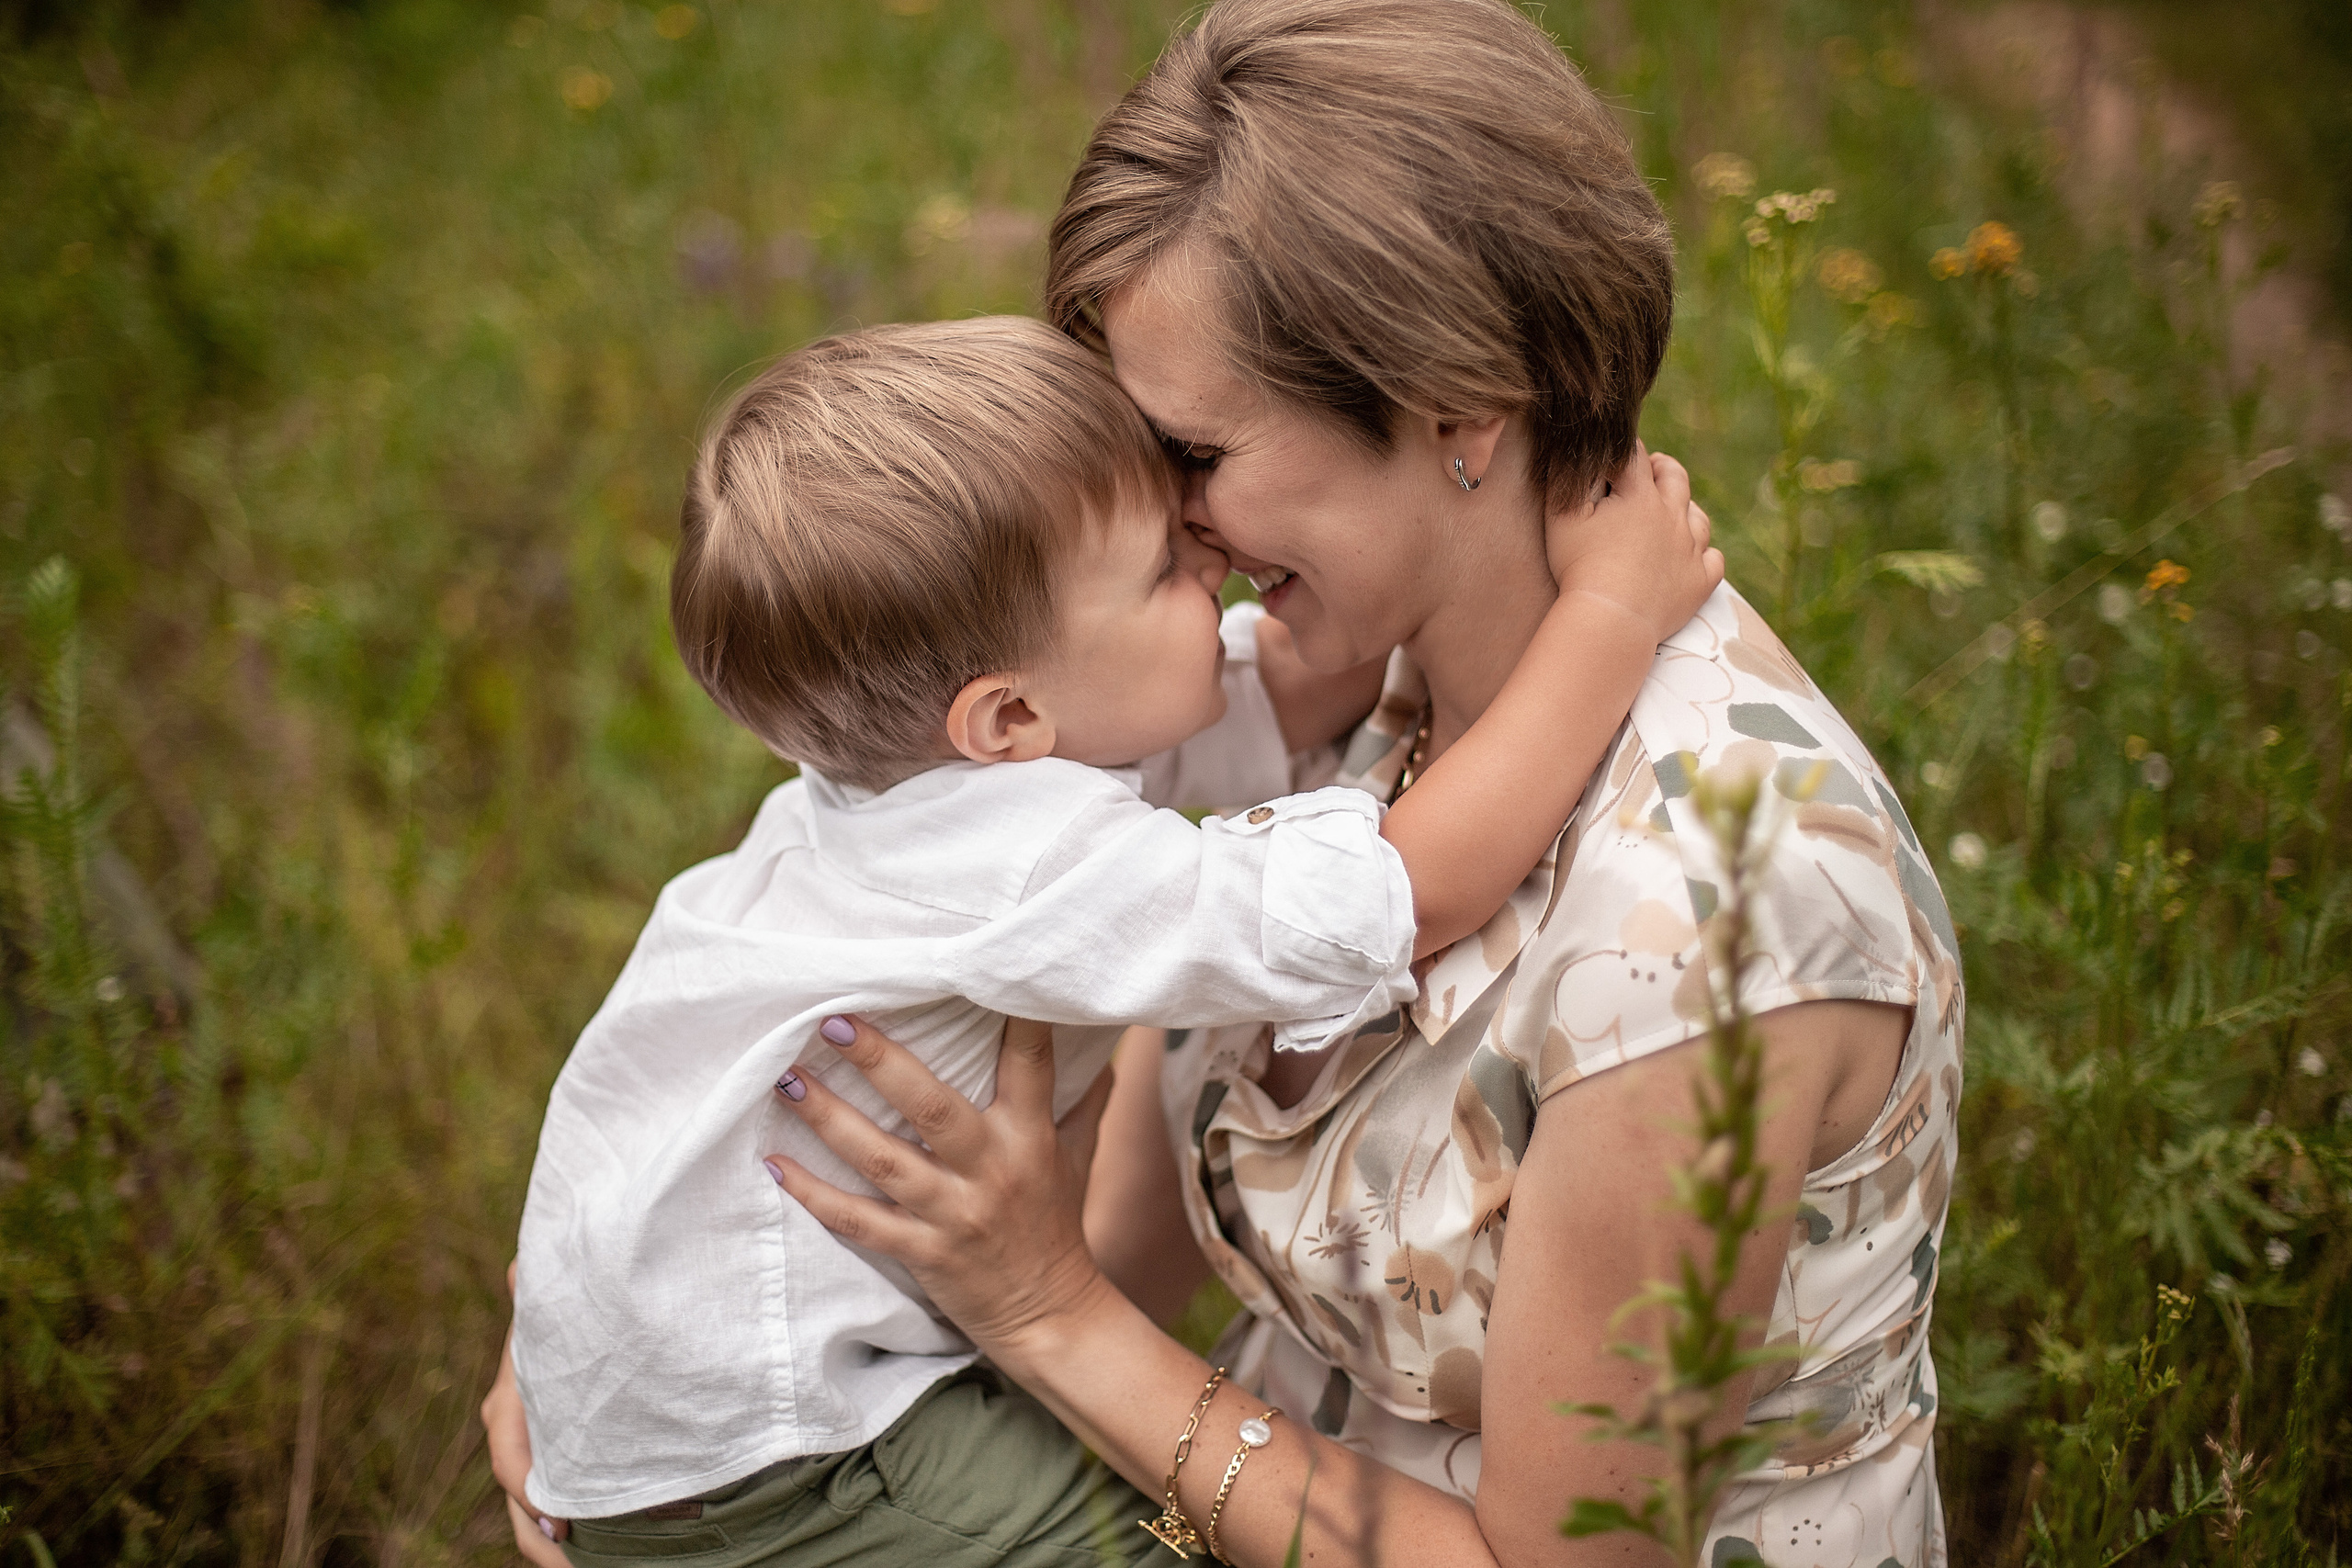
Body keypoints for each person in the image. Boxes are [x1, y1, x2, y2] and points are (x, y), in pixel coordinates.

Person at [734, 1, 1963, 1565]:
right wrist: (657, 1368)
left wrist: (1043, 1314)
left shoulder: (1715, 910)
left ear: (1458, 414)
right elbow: (1124, 1222)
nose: (1166, 527)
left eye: (1193, 454)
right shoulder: (1326, 678)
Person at [494, 313, 1719, 1560]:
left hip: (659, 1397)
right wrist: (1610, 614)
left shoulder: (909, 788)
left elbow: (1266, 686)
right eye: (1167, 574)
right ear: (1011, 716)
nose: (1215, 564)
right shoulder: (1022, 867)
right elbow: (1402, 890)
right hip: (802, 1463)